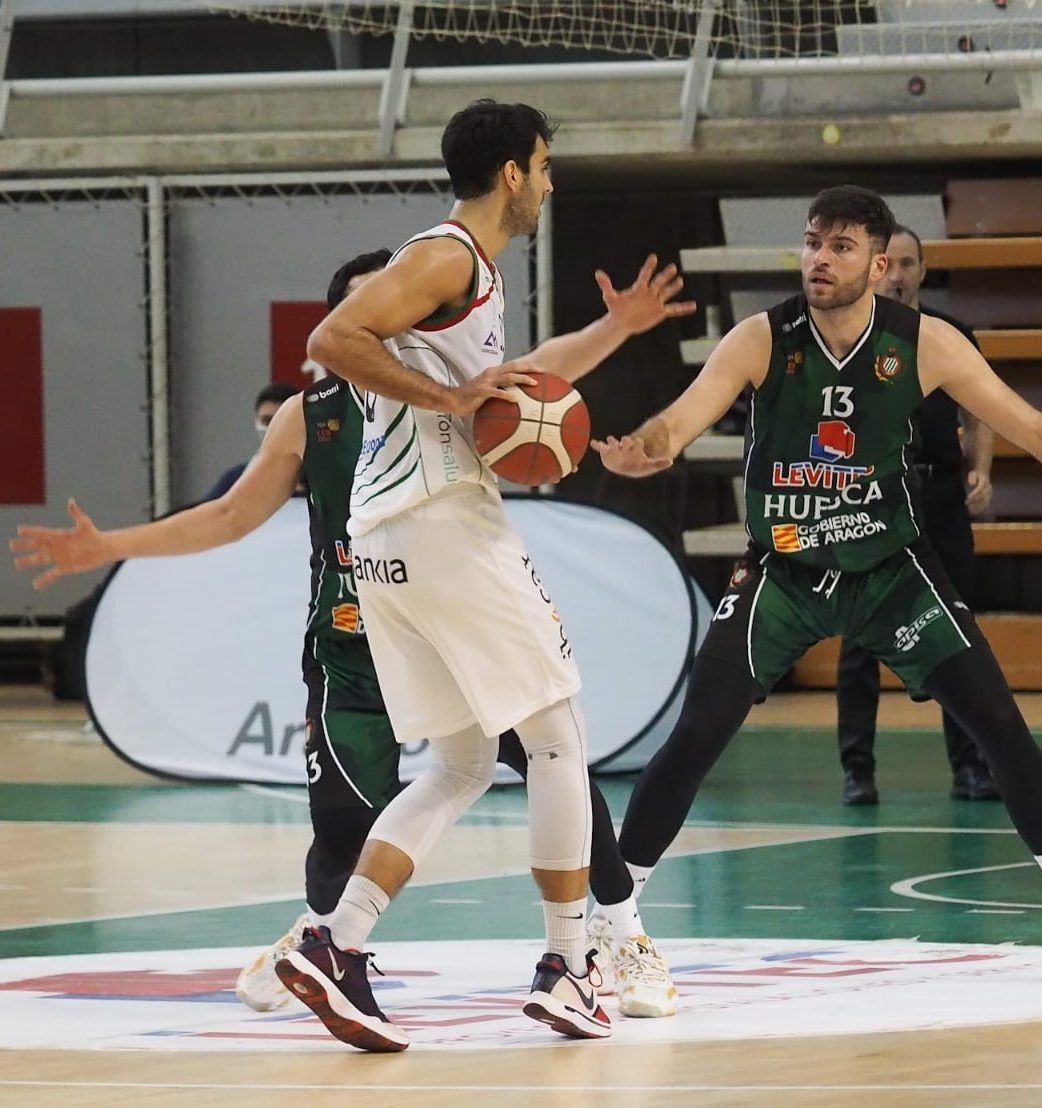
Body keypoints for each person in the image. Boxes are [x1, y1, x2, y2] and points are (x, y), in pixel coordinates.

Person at [10, 243, 692, 1032]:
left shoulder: (451, 395)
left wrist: (615, 326)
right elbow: (233, 515)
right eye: (381, 311)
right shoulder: (314, 414)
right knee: (347, 823)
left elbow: (542, 372)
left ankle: (619, 931)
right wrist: (111, 546)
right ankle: (331, 938)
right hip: (351, 647)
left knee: (550, 762)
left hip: (447, 630)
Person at [593, 185, 1042, 986]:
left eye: (841, 246)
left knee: (1000, 725)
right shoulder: (763, 338)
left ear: (879, 264)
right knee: (698, 733)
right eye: (813, 241)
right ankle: (613, 928)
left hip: (890, 571)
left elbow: (1038, 433)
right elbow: (677, 422)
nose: (819, 258)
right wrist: (646, 448)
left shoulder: (926, 344)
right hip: (787, 572)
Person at [838, 222, 997, 805]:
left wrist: (981, 470)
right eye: (890, 264)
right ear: (873, 269)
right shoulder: (842, 338)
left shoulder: (952, 335)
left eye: (909, 264)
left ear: (923, 271)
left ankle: (971, 766)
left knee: (955, 631)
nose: (899, 276)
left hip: (939, 495)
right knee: (860, 637)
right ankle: (857, 770)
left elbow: (981, 415)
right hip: (870, 500)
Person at [207, 382, 301, 499]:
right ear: (256, 421)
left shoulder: (318, 479)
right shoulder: (235, 480)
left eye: (279, 420)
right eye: (266, 420)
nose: (272, 428)